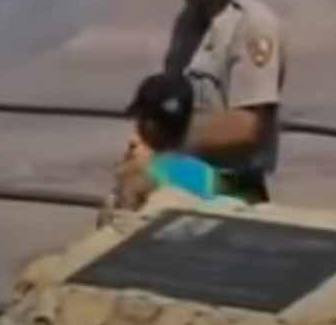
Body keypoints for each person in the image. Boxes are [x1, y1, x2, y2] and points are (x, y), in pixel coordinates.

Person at [136, 0, 286, 204]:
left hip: (234, 181)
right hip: (190, 166)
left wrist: (165, 142)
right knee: (132, 180)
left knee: (145, 181)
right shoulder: (188, 24)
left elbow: (248, 127)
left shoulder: (252, 26)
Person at [98, 73, 242, 227]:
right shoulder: (210, 175)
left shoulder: (138, 177)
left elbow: (115, 234)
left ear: (148, 125)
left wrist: (127, 182)